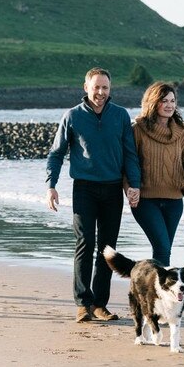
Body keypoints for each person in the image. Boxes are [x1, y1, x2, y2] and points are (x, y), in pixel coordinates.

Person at [46, 67, 141, 323]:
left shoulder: (120, 115)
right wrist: (51, 185)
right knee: (85, 244)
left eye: (105, 87)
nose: (100, 92)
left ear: (110, 89)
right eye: (96, 87)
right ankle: (82, 303)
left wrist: (135, 185)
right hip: (84, 189)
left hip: (112, 190)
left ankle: (100, 304)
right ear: (86, 87)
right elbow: (56, 154)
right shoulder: (72, 116)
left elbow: (130, 154)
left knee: (107, 249)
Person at [128, 81, 184, 267]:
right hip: (145, 200)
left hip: (174, 201)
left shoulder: (181, 131)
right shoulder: (137, 130)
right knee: (162, 248)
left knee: (163, 250)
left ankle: (155, 287)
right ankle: (161, 291)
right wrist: (130, 189)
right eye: (164, 100)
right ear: (153, 102)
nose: (170, 105)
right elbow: (129, 163)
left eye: (172, 101)